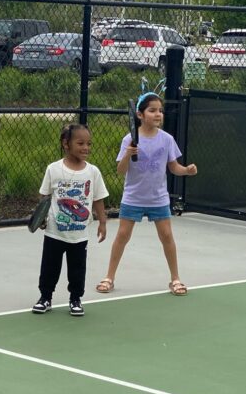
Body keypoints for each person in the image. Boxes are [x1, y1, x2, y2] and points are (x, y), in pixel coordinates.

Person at [96, 91, 197, 297]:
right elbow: (121, 170)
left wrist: (186, 170)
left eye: (160, 111)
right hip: (133, 197)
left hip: (158, 198)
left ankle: (175, 279)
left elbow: (173, 167)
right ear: (140, 115)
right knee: (122, 236)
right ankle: (109, 277)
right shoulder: (129, 140)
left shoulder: (167, 139)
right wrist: (127, 154)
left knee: (167, 236)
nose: (158, 114)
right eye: (152, 110)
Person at [32, 123, 108, 317]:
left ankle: (75, 299)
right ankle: (45, 297)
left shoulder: (93, 172)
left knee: (77, 270)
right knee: (50, 267)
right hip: (54, 232)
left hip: (79, 235)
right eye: (80, 143)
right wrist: (40, 217)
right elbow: (44, 196)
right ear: (66, 144)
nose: (86, 148)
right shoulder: (53, 169)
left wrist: (103, 222)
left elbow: (98, 198)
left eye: (89, 144)